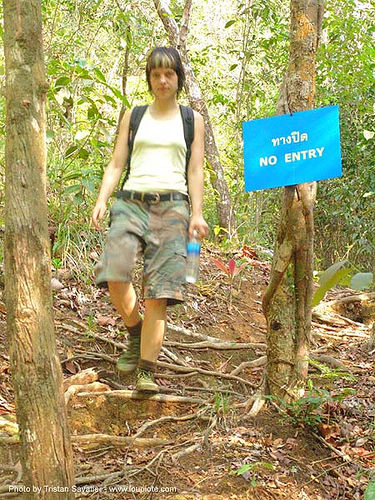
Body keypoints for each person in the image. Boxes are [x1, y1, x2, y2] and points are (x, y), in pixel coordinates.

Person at [91, 47, 209, 393]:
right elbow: (116, 162)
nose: (162, 80)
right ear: (149, 78)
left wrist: (197, 213)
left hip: (173, 206)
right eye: (156, 74)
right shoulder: (135, 115)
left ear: (178, 78)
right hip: (131, 202)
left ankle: (146, 370)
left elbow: (195, 168)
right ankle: (135, 331)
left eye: (169, 74)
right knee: (114, 271)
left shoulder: (192, 120)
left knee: (160, 292)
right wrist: (102, 199)